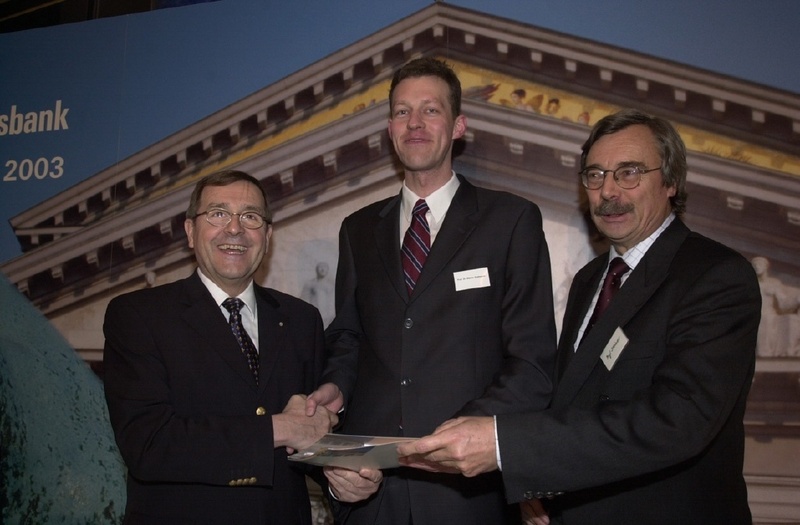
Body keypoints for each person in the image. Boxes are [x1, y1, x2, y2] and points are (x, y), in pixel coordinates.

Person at [398, 109, 761, 525]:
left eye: (629, 173)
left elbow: (677, 420)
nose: (608, 191)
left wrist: (505, 446)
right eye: (594, 175)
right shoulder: (590, 280)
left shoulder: (714, 275)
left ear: (671, 181)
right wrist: (540, 483)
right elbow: (571, 404)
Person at [306, 57, 557, 524]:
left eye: (430, 110)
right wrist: (333, 385)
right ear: (389, 128)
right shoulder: (358, 229)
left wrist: (459, 434)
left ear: (458, 125)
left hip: (466, 493)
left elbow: (532, 363)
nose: (415, 123)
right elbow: (349, 336)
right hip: (370, 492)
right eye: (402, 112)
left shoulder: (510, 221)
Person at [103, 170, 338, 525]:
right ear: (189, 232)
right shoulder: (139, 316)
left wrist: (341, 477)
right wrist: (278, 428)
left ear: (268, 235)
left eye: (250, 217)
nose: (234, 229)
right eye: (217, 213)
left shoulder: (302, 320)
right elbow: (148, 444)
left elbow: (309, 437)